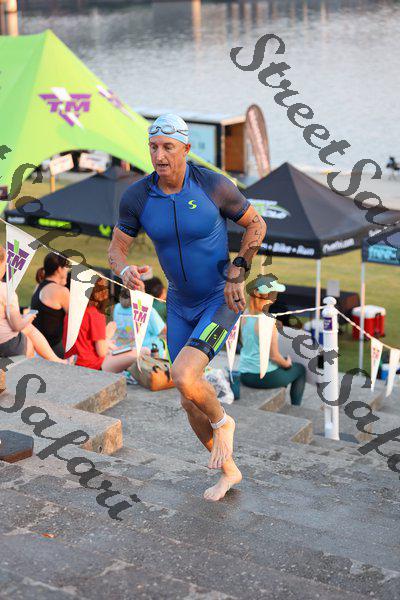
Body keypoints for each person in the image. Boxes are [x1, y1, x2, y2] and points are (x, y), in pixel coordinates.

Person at [108, 113, 267, 501]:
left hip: (220, 298)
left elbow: (257, 225)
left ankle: (224, 422)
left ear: (186, 149)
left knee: (182, 373)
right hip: (178, 304)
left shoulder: (213, 185)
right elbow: (116, 249)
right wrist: (125, 269)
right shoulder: (138, 196)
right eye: (153, 147)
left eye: (168, 147)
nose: (159, 155)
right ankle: (229, 470)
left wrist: (238, 272)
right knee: (187, 398)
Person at [239, 276, 306, 406]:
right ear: (270, 297)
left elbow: (247, 341)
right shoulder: (267, 322)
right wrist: (287, 365)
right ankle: (295, 408)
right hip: (261, 376)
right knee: (299, 369)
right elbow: (274, 356)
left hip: (244, 373)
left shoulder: (245, 313)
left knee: (283, 364)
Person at [63, 277, 146, 372]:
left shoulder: (71, 311)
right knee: (143, 351)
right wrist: (107, 335)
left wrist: (107, 343)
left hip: (72, 361)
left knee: (119, 350)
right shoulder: (95, 313)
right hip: (92, 365)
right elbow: (101, 352)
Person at [0, 245, 65, 362]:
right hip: (7, 345)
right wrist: (28, 317)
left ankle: (55, 360)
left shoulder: (39, 286)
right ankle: (57, 360)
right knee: (29, 336)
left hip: (5, 340)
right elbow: (17, 326)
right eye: (5, 264)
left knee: (28, 333)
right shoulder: (5, 290)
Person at [31, 252, 70, 358]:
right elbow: (75, 320)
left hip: (36, 345)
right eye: (66, 267)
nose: (68, 270)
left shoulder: (38, 286)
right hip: (53, 349)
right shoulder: (61, 291)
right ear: (59, 269)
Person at [113, 287, 166, 356]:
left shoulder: (117, 307)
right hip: (147, 353)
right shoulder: (147, 310)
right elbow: (163, 330)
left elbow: (122, 327)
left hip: (123, 351)